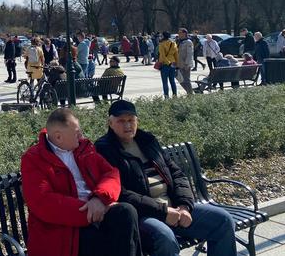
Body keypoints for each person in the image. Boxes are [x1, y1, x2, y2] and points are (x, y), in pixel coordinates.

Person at [96, 100, 236, 256]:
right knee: (165, 238)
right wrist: (163, 212)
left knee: (223, 221)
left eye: (131, 120)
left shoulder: (147, 141)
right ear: (110, 123)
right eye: (121, 121)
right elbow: (121, 194)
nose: (127, 125)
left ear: (137, 121)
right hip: (144, 215)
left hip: (174, 207)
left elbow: (177, 173)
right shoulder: (105, 149)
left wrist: (184, 206)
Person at [21, 107, 143, 256]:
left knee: (126, 212)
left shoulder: (84, 148)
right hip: (63, 228)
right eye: (77, 132)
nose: (81, 136)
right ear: (59, 137)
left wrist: (99, 198)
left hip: (97, 211)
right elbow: (43, 202)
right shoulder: (34, 159)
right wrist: (89, 212)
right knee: (97, 238)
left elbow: (111, 173)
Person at [158, 32, 178, 99]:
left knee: (165, 82)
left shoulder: (161, 44)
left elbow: (163, 56)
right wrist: (176, 64)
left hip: (165, 64)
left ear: (163, 36)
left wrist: (168, 63)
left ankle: (166, 97)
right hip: (173, 63)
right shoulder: (173, 43)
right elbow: (176, 55)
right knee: (172, 81)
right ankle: (175, 95)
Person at [176, 29, 194, 95]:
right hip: (179, 63)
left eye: (180, 33)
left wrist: (187, 64)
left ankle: (190, 94)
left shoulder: (188, 42)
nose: (178, 34)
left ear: (184, 33)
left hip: (186, 64)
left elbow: (189, 54)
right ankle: (189, 92)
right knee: (179, 78)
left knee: (186, 80)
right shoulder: (179, 41)